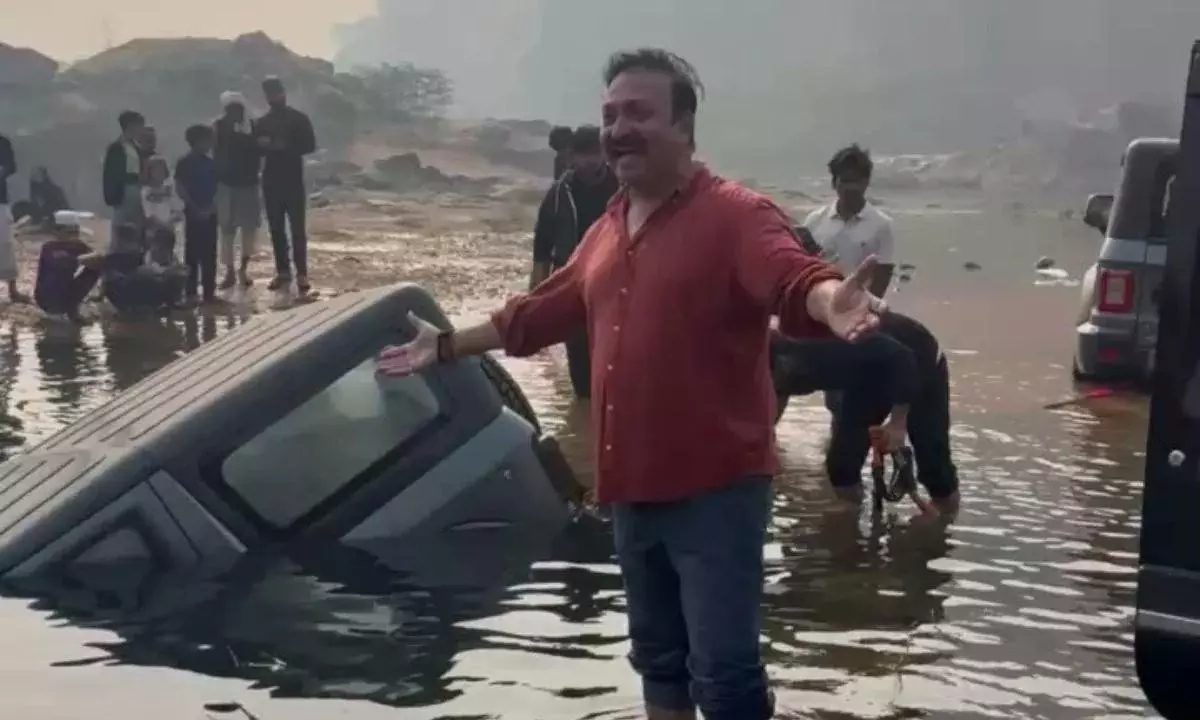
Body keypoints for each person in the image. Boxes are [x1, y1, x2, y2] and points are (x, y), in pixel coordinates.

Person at [377, 48, 884, 720]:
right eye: (611, 115)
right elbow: (536, 314)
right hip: (630, 488)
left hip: (716, 490)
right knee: (658, 660)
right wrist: (443, 345)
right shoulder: (609, 227)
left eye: (639, 113)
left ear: (684, 126)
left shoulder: (736, 214)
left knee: (725, 674)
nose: (618, 128)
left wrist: (829, 301)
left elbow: (790, 275)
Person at [770, 310, 961, 515]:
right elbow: (774, 396)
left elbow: (902, 358)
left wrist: (897, 425)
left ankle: (944, 520)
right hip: (863, 374)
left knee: (933, 463)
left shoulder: (812, 345)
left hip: (916, 359)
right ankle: (850, 519)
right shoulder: (764, 363)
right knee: (841, 467)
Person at [803, 145, 896, 427]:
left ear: (867, 182)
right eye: (845, 180)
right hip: (820, 316)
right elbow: (804, 269)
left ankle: (842, 446)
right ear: (834, 183)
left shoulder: (881, 225)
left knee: (845, 395)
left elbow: (883, 273)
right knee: (798, 381)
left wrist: (869, 315)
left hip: (856, 320)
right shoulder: (815, 222)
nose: (851, 187)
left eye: (857, 180)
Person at [530, 125, 620, 399]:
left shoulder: (623, 186)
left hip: (616, 280)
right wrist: (536, 292)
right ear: (572, 156)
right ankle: (584, 418)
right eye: (583, 155)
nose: (589, 162)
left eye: (594, 154)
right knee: (581, 371)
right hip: (573, 281)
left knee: (616, 356)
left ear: (604, 153)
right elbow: (542, 242)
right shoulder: (558, 193)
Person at [255, 76, 317, 294]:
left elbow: (310, 145)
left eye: (276, 92)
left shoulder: (298, 119)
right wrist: (262, 146)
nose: (273, 96)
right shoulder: (261, 123)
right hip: (271, 180)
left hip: (293, 179)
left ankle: (302, 273)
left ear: (283, 92)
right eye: (269, 93)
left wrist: (283, 146)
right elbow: (256, 151)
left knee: (297, 229)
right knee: (276, 229)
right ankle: (282, 272)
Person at [213, 90, 262, 289]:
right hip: (227, 184)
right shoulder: (219, 127)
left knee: (248, 229)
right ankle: (230, 271)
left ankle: (243, 269)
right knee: (227, 230)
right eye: (231, 109)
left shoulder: (252, 126)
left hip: (248, 183)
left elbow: (259, 152)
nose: (235, 112)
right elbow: (217, 153)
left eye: (238, 109)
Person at [175, 124, 220, 304]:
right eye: (209, 140)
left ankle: (209, 292)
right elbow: (181, 188)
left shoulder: (210, 163)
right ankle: (191, 291)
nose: (211, 143)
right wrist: (194, 208)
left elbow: (217, 188)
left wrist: (212, 208)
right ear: (198, 141)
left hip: (209, 212)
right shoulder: (184, 162)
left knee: (210, 252)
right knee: (192, 252)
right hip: (193, 212)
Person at [33, 210, 103, 321]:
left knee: (97, 267)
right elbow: (65, 262)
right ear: (57, 232)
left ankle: (72, 309)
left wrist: (91, 259)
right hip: (47, 297)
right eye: (70, 233)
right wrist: (83, 259)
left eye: (75, 233)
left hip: (66, 291)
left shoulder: (77, 245)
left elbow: (98, 257)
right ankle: (56, 314)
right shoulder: (49, 247)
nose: (73, 236)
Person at [102, 110, 146, 249]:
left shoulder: (136, 148)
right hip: (124, 193)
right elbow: (113, 174)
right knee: (122, 230)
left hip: (139, 193)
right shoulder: (116, 148)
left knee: (137, 230)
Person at [0, 132, 30, 303]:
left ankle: (12, 289)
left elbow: (11, 166)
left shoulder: (2, 142)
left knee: (4, 242)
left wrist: (2, 170)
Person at [141, 155, 183, 267]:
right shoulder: (146, 192)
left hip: (169, 231)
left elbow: (178, 209)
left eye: (161, 170)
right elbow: (149, 215)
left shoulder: (170, 190)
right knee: (154, 257)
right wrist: (164, 225)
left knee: (167, 258)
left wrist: (172, 220)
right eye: (155, 170)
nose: (158, 173)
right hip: (154, 232)